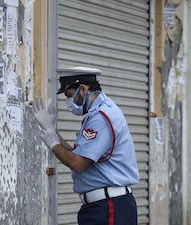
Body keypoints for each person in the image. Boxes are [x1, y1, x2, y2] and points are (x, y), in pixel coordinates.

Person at [32, 67, 139, 225]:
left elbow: (77, 163)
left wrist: (52, 141)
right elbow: (78, 154)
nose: (69, 103)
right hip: (105, 206)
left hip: (108, 208)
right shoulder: (101, 112)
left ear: (82, 89)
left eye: (69, 96)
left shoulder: (101, 118)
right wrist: (52, 131)